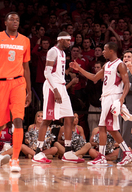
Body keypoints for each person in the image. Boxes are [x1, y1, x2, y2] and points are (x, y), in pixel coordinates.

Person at [70, 42, 132, 166]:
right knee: (107, 128)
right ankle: (126, 153)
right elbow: (94, 77)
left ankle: (105, 156)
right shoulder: (106, 65)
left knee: (105, 127)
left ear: (111, 51)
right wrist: (79, 69)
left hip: (113, 97)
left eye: (105, 50)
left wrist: (122, 98)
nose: (103, 52)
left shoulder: (120, 65)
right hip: (105, 98)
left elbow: (127, 84)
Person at [0, 12, 32, 172]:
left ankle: (15, 159)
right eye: (12, 19)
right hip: (0, 84)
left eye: (17, 19)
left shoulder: (25, 40)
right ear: (5, 22)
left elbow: (26, 67)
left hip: (19, 82)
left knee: (18, 120)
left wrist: (29, 90)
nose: (15, 21)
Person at [32, 31, 84, 164]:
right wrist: (55, 90)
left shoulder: (63, 53)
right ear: (60, 40)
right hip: (52, 86)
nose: (69, 43)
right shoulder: (52, 51)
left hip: (61, 85)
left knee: (69, 117)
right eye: (67, 41)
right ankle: (38, 152)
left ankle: (67, 151)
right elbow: (47, 73)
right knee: (47, 119)